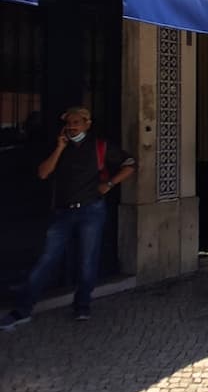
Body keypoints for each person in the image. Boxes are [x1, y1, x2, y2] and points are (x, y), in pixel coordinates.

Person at [1, 106, 135, 329]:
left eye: (76, 122)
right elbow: (43, 173)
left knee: (87, 260)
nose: (72, 127)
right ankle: (23, 309)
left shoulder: (99, 147)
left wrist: (109, 184)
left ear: (87, 123)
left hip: (91, 210)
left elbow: (130, 165)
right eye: (69, 123)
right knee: (47, 259)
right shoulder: (58, 147)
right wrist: (59, 148)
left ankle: (82, 304)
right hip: (62, 212)